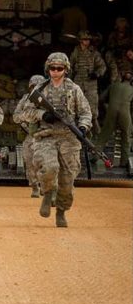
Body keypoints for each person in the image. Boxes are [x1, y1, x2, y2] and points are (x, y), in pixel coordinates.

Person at [18, 52, 92, 228]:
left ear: (65, 69)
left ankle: (61, 211)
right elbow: (25, 112)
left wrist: (83, 127)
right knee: (50, 168)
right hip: (46, 136)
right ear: (47, 69)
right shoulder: (40, 90)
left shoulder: (74, 90)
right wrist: (43, 114)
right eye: (52, 68)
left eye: (59, 68)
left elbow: (85, 113)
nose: (56, 71)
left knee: (67, 181)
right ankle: (47, 192)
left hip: (68, 138)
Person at [13, 75, 46, 198]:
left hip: (44, 135)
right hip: (30, 134)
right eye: (33, 86)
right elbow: (15, 116)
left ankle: (44, 185)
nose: (36, 88)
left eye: (39, 86)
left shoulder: (48, 99)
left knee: (45, 162)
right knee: (29, 160)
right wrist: (26, 118)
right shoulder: (25, 99)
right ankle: (34, 186)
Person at [69, 30, 106, 133]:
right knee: (76, 106)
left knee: (92, 108)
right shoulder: (75, 52)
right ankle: (78, 129)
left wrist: (97, 74)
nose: (87, 42)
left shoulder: (93, 53)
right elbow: (70, 67)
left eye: (88, 40)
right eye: (85, 39)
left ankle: (95, 130)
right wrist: (68, 81)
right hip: (78, 82)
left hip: (91, 84)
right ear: (80, 40)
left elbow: (102, 66)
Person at [96, 69, 133, 167]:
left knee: (104, 134)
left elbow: (101, 98)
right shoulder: (131, 89)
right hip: (125, 112)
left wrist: (108, 106)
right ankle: (124, 162)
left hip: (111, 110)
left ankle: (95, 156)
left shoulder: (113, 85)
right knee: (126, 137)